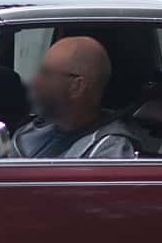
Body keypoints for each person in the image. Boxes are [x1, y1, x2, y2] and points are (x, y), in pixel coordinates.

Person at [11, 36, 142, 159]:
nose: (34, 82)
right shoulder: (28, 133)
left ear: (77, 86)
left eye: (46, 74)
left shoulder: (108, 150)